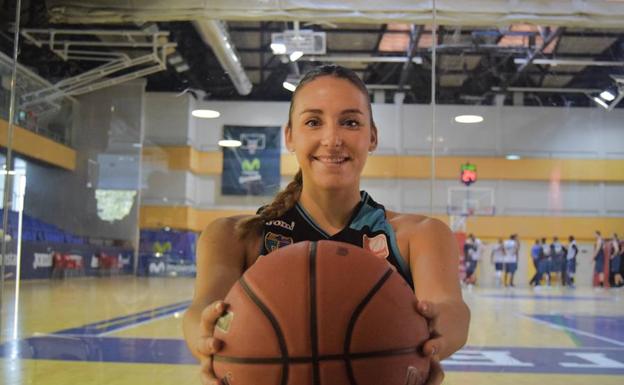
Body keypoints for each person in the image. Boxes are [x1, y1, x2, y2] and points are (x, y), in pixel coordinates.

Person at [182, 65, 470, 385]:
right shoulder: (232, 237)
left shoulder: (420, 236)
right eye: (313, 122)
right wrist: (206, 341)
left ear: (371, 137)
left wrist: (431, 334)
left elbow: (452, 310)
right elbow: (200, 310)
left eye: (350, 122)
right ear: (290, 136)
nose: (332, 139)